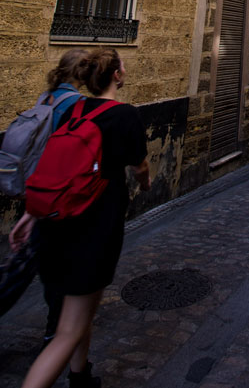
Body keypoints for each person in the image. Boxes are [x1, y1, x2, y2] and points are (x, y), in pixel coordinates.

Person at [10, 47, 150, 388]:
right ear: (116, 75)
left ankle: (80, 374)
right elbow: (140, 165)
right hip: (93, 227)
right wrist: (145, 182)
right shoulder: (125, 116)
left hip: (55, 222)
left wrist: (32, 213)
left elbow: (55, 163)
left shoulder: (73, 109)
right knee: (67, 329)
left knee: (81, 310)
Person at [40, 49, 88, 344]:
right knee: (70, 260)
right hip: (64, 194)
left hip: (38, 191)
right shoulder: (78, 105)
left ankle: (56, 321)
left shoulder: (45, 99)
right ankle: (61, 328)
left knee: (48, 260)